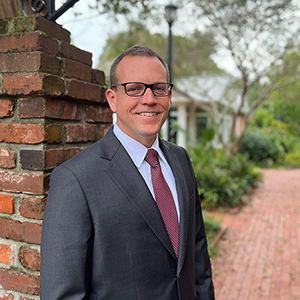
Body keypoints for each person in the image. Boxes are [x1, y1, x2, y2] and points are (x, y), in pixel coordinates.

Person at [40, 45, 215, 300]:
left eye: (159, 88)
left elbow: (197, 253)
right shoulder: (75, 179)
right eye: (134, 88)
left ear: (169, 95)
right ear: (113, 99)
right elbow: (62, 294)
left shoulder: (180, 159)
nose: (149, 99)